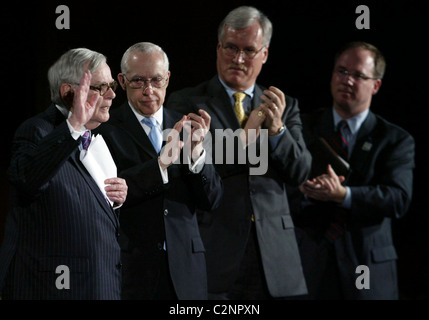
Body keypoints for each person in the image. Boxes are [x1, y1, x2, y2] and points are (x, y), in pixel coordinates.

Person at [166, 6, 311, 299]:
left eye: (249, 50)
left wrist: (278, 130)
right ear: (218, 48)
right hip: (216, 248)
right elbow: (194, 165)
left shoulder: (285, 106)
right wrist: (247, 134)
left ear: (265, 54)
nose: (239, 59)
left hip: (276, 256)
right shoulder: (186, 103)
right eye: (231, 48)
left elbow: (301, 171)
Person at [95, 42, 223, 300]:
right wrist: (160, 164)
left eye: (156, 80)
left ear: (168, 79)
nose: (149, 90)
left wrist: (196, 153)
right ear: (121, 80)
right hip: (132, 268)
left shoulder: (188, 125)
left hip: (187, 269)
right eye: (138, 81)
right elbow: (106, 194)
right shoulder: (104, 130)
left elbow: (213, 200)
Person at [0, 48, 128, 300]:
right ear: (69, 92)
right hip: (53, 289)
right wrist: (73, 125)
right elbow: (26, 179)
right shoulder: (37, 131)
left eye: (111, 85)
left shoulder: (97, 139)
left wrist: (114, 200)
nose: (112, 94)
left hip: (97, 284)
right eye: (101, 87)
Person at [293, 41, 415, 299]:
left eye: (358, 75)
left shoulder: (395, 139)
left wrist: (343, 195)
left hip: (368, 269)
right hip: (309, 265)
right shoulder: (302, 127)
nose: (346, 80)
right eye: (341, 71)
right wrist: (301, 188)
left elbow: (398, 199)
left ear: (376, 85)